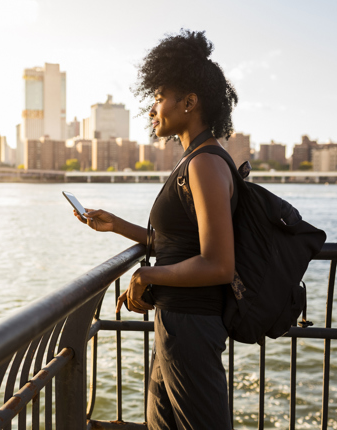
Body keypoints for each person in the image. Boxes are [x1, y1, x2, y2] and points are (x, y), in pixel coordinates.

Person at [74, 29, 239, 430]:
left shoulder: (205, 164)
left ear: (190, 102)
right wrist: (118, 226)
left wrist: (146, 273)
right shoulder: (192, 162)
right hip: (175, 324)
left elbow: (219, 264)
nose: (154, 107)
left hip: (192, 328)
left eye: (160, 96)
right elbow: (179, 244)